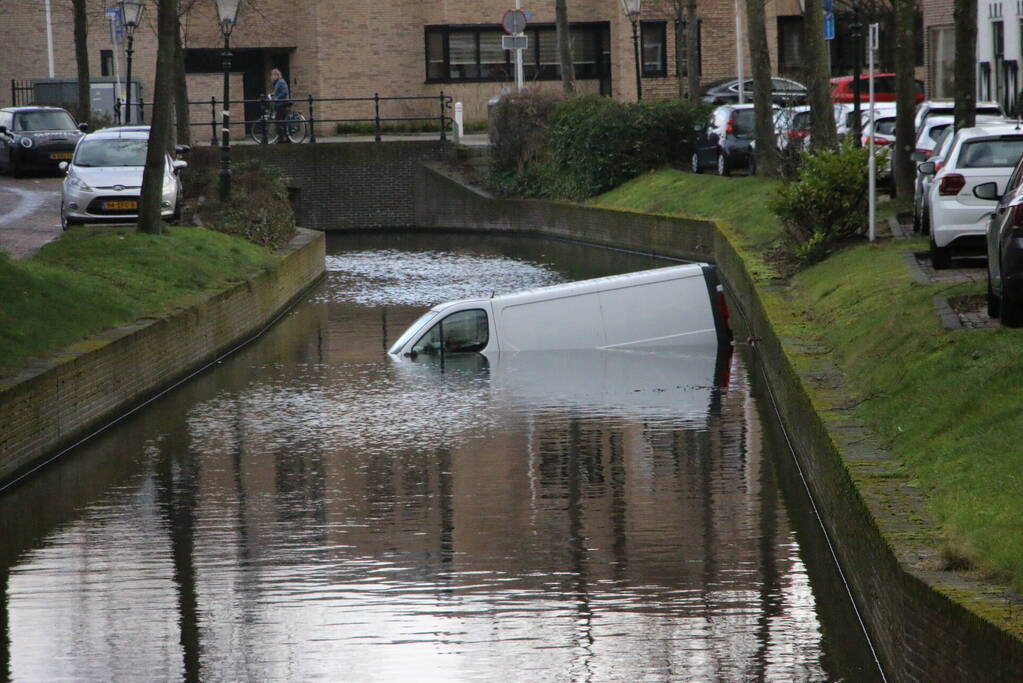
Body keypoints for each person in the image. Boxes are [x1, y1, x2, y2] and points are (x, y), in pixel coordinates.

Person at [269, 68, 290, 142]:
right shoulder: (278, 82)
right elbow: (278, 92)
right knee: (282, 121)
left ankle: (281, 139)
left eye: (274, 75)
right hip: (280, 103)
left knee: (278, 121)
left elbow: (284, 92)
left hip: (282, 104)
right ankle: (286, 138)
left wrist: (277, 98)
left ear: (277, 75)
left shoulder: (280, 82)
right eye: (272, 75)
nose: (272, 77)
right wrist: (272, 95)